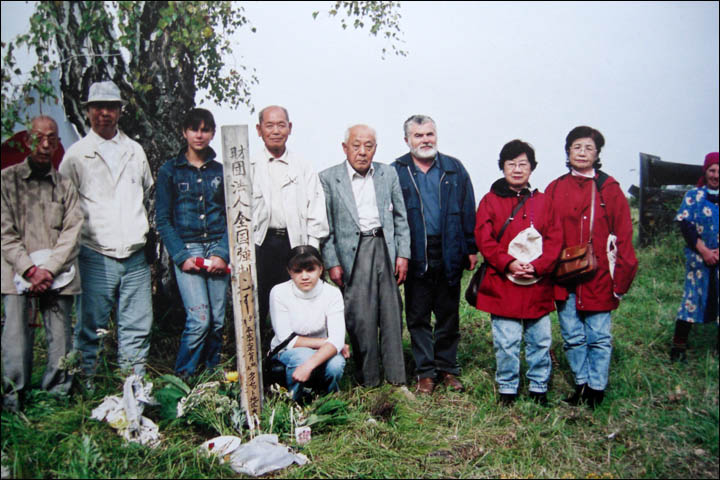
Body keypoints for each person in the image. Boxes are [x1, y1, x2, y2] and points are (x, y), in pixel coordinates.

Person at [59, 81, 155, 380]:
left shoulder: (135, 150)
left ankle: (132, 388)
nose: (104, 113)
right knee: (91, 327)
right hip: (95, 254)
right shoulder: (76, 155)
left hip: (135, 256)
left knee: (137, 326)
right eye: (98, 107)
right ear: (88, 111)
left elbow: (147, 192)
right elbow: (64, 204)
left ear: (119, 111)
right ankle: (89, 387)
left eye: (111, 107)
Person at [545, 125, 638, 408]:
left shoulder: (608, 188)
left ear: (597, 153)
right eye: (576, 147)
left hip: (599, 278)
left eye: (588, 147)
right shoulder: (556, 187)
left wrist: (620, 282)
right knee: (572, 336)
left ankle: (597, 390)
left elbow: (623, 237)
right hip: (564, 276)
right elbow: (545, 234)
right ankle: (581, 386)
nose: (582, 152)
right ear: (568, 151)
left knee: (599, 336)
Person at [1, 116, 83, 412]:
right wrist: (29, 269)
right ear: (27, 141)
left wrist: (48, 269)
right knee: (15, 339)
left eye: (52, 138)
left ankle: (56, 398)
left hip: (58, 274)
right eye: (39, 137)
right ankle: (13, 399)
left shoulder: (64, 185)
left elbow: (74, 228)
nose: (45, 144)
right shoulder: (6, 180)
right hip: (15, 272)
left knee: (61, 338)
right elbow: (4, 231)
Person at [319, 124, 410, 387]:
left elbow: (401, 217)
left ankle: (397, 380)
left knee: (392, 315)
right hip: (352, 254)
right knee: (360, 317)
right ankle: (369, 381)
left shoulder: (387, 173)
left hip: (383, 246)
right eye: (356, 145)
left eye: (368, 146)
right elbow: (326, 227)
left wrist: (403, 254)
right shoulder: (328, 178)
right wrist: (332, 262)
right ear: (344, 148)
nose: (362, 152)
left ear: (375, 149)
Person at [392, 115, 477, 394]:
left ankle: (448, 369)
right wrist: (399, 254)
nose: (425, 140)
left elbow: (467, 210)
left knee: (448, 314)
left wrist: (471, 247)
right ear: (407, 140)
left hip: (449, 249)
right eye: (418, 136)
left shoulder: (454, 169)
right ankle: (425, 373)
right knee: (417, 315)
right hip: (415, 252)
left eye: (429, 134)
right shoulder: (397, 171)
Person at [474, 140, 563, 406]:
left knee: (540, 340)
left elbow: (555, 239)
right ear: (502, 167)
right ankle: (507, 388)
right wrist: (508, 262)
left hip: (538, 284)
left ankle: (538, 387)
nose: (516, 169)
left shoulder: (544, 201)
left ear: (532, 168)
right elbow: (484, 238)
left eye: (523, 164)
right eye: (511, 164)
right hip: (503, 284)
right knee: (507, 341)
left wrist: (538, 265)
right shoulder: (489, 201)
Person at [155, 108, 230, 379]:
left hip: (217, 247)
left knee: (218, 321)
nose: (199, 135)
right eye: (194, 129)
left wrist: (223, 253)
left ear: (212, 133)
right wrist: (181, 255)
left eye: (205, 129)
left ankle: (211, 378)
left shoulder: (222, 171)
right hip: (188, 249)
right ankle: (183, 379)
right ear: (184, 132)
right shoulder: (170, 171)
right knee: (199, 320)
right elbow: (162, 219)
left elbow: (233, 214)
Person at [250, 105, 329, 340]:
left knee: (297, 308)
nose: (276, 131)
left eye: (281, 125)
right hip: (260, 245)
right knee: (257, 305)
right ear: (259, 130)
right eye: (269, 125)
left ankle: (295, 365)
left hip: (294, 246)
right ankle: (258, 365)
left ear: (290, 128)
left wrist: (311, 250)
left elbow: (316, 209)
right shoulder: (249, 165)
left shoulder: (303, 166)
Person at [269, 245, 350, 401]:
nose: (304, 276)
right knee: (303, 356)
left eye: (310, 270)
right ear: (289, 271)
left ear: (321, 269)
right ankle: (294, 401)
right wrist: (330, 343)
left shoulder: (332, 293)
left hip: (320, 350)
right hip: (287, 349)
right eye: (298, 271)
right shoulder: (279, 292)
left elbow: (338, 338)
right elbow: (288, 339)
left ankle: (328, 401)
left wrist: (309, 366)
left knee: (336, 364)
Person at [670, 152, 719, 361]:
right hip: (698, 259)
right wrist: (705, 251)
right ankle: (678, 350)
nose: (716, 175)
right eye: (712, 170)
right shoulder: (692, 196)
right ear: (705, 171)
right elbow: (686, 225)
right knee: (691, 300)